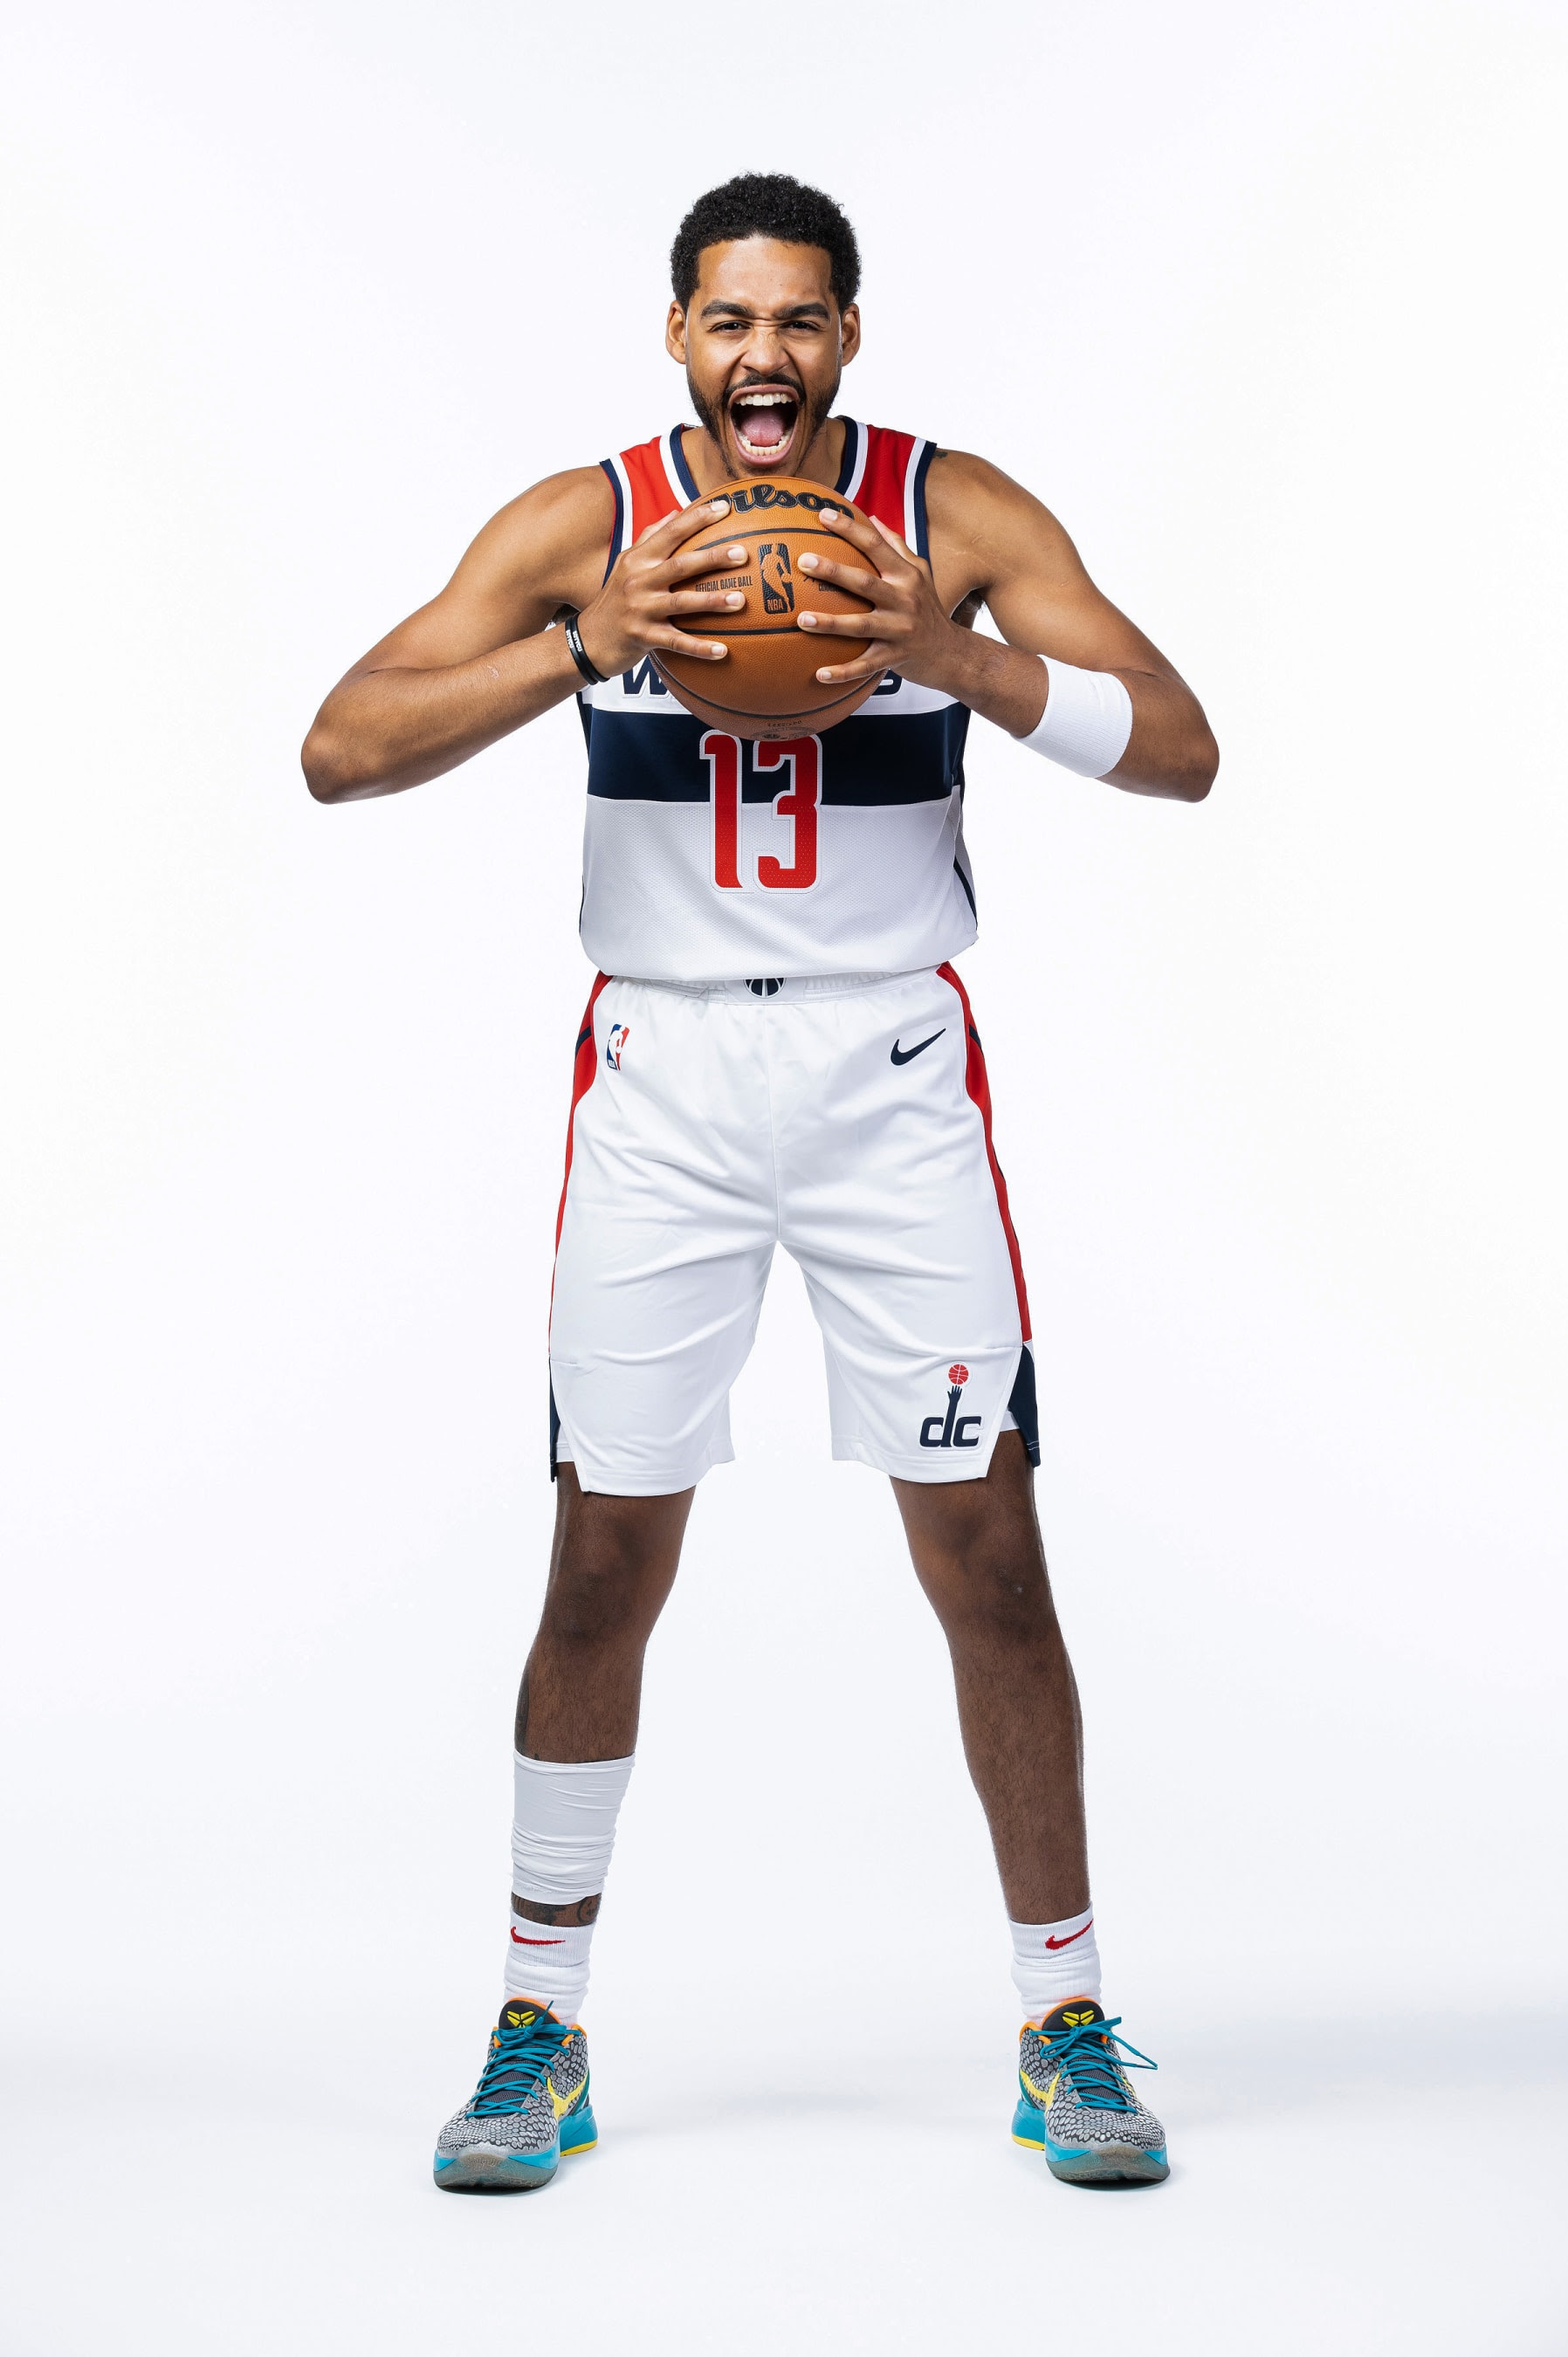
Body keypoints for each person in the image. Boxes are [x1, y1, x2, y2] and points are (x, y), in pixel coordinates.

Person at [302, 172, 1217, 2194]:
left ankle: (1065, 2018)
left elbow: (1183, 743)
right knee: (605, 1560)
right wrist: (584, 647)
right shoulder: (590, 524)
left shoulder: (951, 514)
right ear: (677, 336)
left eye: (801, 322)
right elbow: (340, 750)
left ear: (850, 339)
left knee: (987, 1552)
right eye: (730, 321)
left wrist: (960, 666)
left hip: (892, 1076)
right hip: (668, 1080)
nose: (765, 358)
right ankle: (540, 2024)